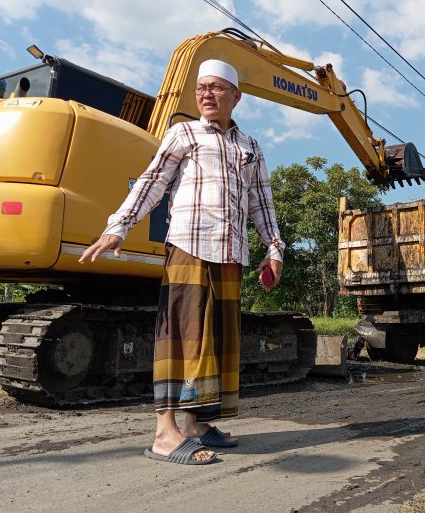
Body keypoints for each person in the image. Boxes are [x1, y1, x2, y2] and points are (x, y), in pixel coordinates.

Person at [79, 59, 284, 465]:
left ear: (236, 96)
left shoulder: (250, 148)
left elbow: (262, 203)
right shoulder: (183, 133)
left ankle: (194, 424)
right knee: (180, 337)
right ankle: (164, 433)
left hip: (230, 255)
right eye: (201, 87)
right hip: (189, 247)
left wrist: (274, 248)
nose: (206, 93)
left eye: (217, 87)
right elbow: (151, 182)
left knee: (214, 342)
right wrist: (119, 226)